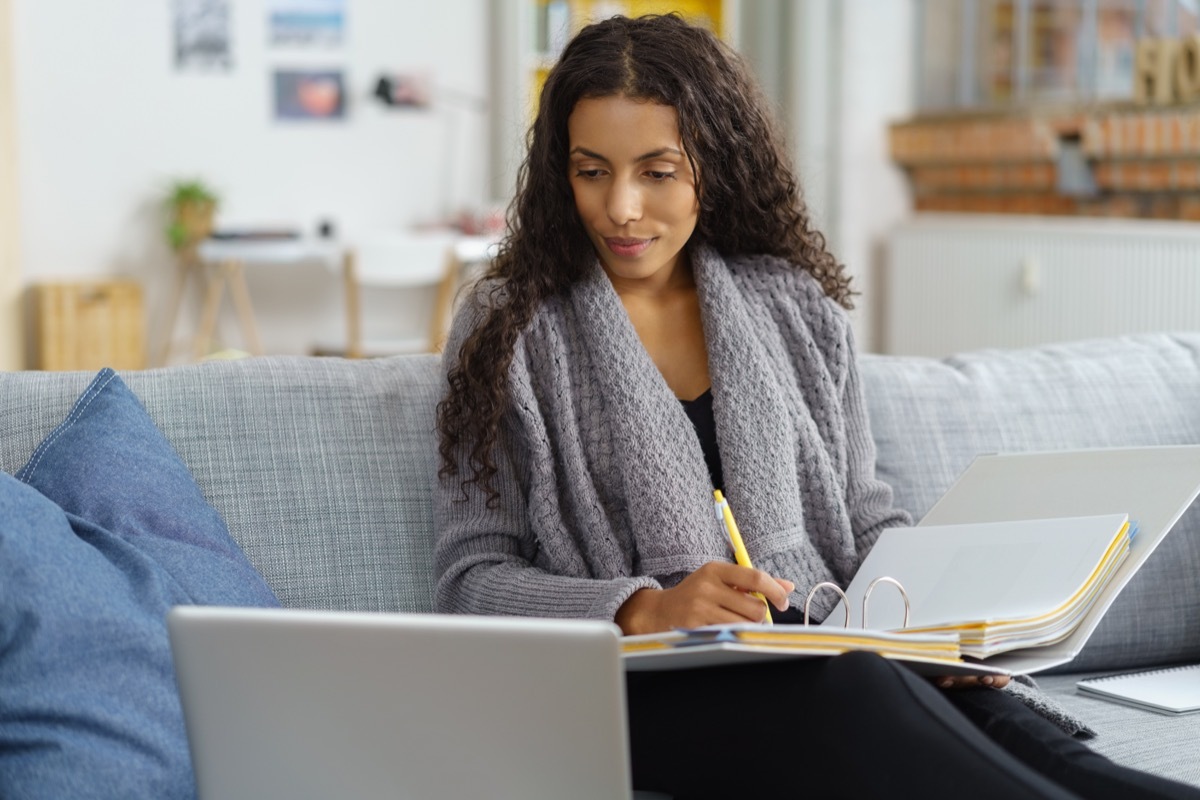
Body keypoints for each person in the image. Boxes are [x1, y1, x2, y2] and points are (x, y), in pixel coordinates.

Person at [433, 13, 1199, 800]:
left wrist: (938, 630)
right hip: (640, 694)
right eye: (591, 171)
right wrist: (641, 607)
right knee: (860, 690)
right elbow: (469, 577)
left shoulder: (798, 309)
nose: (622, 207)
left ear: (714, 164)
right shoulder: (509, 326)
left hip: (829, 654)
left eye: (657, 172)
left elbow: (867, 521)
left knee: (1021, 732)